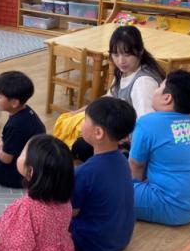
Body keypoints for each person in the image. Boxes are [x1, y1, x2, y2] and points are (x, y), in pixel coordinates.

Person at [129, 70, 190, 226]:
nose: (155, 90)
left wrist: (132, 189)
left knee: (108, 190)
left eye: (159, 87)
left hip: (171, 205)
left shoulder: (147, 122)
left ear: (167, 98)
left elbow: (136, 165)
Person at [71, 25, 166, 160]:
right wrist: (84, 109)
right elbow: (109, 98)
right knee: (80, 143)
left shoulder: (143, 83)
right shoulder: (124, 71)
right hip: (120, 133)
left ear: (140, 52)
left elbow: (147, 126)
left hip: (134, 143)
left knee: (83, 147)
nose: (121, 61)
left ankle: (122, 159)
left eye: (127, 55)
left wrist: (124, 139)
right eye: (116, 55)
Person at [71, 97, 137, 251]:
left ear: (98, 133)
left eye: (85, 120)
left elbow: (70, 212)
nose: (82, 124)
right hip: (120, 240)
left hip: (90, 248)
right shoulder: (123, 159)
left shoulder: (85, 172)